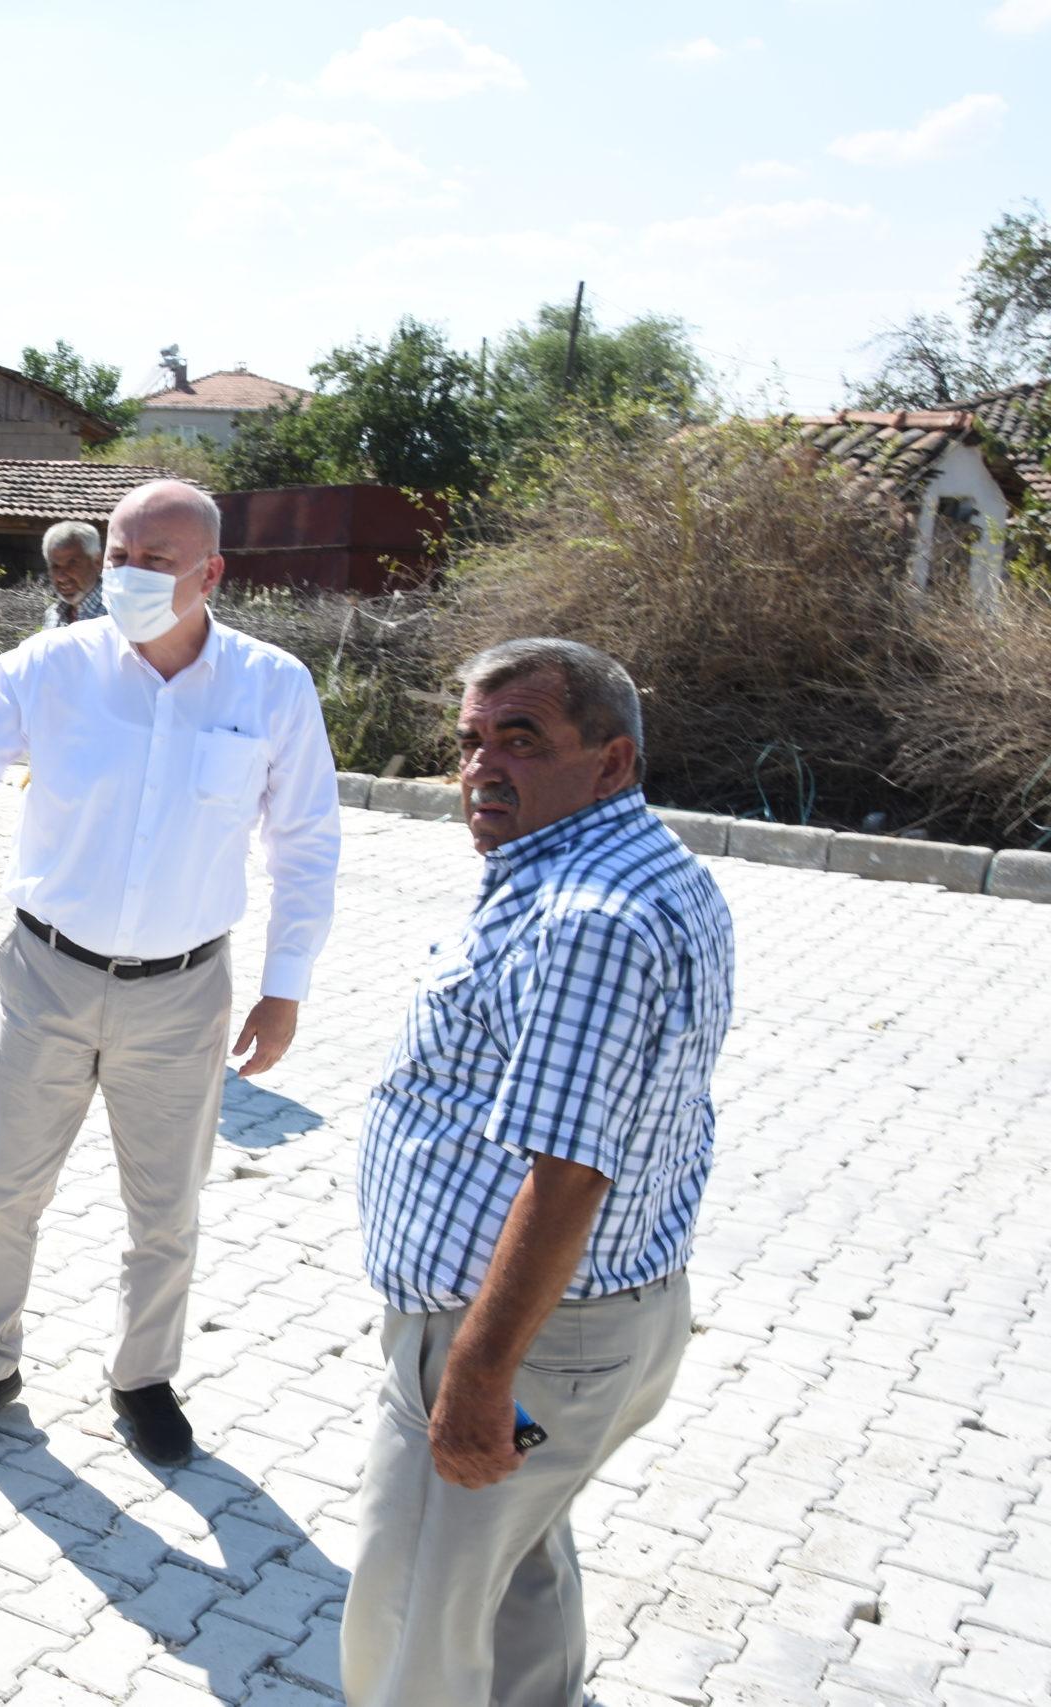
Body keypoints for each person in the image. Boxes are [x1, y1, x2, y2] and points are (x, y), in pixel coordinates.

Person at [0, 479, 340, 1466]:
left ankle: (143, 1378)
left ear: (210, 574)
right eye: (119, 556)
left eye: (154, 563)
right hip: (47, 973)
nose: (126, 576)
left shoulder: (271, 688)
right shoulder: (50, 666)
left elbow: (304, 841)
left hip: (183, 992)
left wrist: (284, 983)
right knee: (4, 1188)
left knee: (163, 1208)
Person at [341, 639, 733, 1706]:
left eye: (522, 741)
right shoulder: (637, 866)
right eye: (469, 742)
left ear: (610, 763)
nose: (482, 768)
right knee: (508, 1573)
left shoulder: (588, 920)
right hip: (595, 1329)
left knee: (412, 1624)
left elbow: (568, 1174)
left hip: (518, 1340)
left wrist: (474, 1376)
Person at [40, 519, 106, 630]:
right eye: (55, 566)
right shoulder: (53, 615)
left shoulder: (116, 614)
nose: (61, 577)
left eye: (72, 563)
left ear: (97, 562)